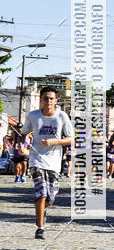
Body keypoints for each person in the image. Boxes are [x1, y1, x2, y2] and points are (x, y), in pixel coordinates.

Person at [21, 86, 73, 240]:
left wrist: (54, 141)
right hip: (36, 160)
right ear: (40, 99)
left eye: (51, 98)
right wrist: (21, 142)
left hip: (54, 163)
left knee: (50, 197)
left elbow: (71, 138)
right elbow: (23, 133)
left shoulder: (62, 116)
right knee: (41, 193)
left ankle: (43, 209)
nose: (48, 101)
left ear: (56, 100)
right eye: (45, 98)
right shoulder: (33, 116)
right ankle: (40, 228)